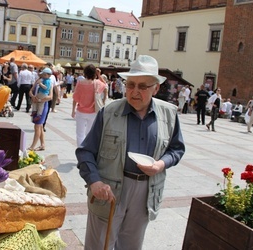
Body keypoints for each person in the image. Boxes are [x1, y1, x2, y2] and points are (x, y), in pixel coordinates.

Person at [75, 55, 185, 249]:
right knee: (99, 244)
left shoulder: (169, 114)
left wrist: (161, 164)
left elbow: (176, 149)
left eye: (143, 86)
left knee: (131, 246)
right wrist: (95, 181)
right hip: (109, 190)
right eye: (131, 84)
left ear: (156, 88)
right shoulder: (108, 112)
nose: (134, 91)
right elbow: (85, 152)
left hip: (145, 191)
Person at [72, 64, 107, 146]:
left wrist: (73, 110)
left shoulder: (80, 83)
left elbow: (75, 98)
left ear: (85, 73)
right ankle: (87, 149)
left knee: (80, 133)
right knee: (89, 133)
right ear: (94, 73)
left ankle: (80, 149)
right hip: (93, 112)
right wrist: (99, 75)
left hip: (81, 111)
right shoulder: (97, 83)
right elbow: (105, 85)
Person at [27, 69, 54, 151]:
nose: (40, 74)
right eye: (40, 73)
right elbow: (30, 91)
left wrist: (39, 100)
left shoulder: (50, 83)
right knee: (40, 126)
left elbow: (50, 97)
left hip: (43, 105)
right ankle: (42, 145)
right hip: (36, 104)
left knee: (37, 126)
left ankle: (32, 146)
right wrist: (32, 96)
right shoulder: (38, 81)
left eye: (42, 73)